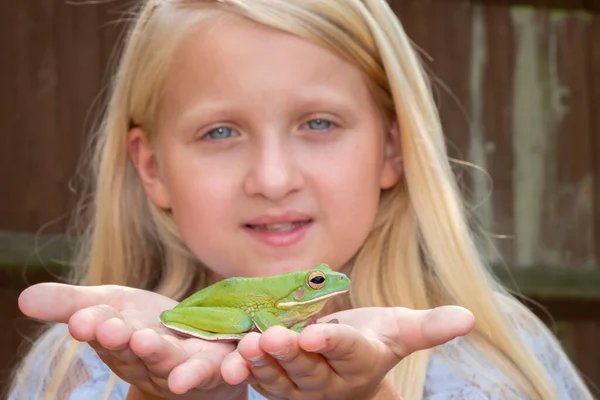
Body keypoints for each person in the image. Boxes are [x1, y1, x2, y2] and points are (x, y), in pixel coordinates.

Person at [8, 0, 594, 399]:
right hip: (216, 319)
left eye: (318, 123)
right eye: (220, 132)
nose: (272, 177)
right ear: (152, 168)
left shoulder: (496, 354)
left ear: (393, 149)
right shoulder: (79, 359)